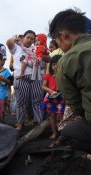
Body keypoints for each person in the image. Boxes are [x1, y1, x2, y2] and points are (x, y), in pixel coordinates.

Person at [49, 8, 91, 160]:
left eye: (57, 41)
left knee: (68, 134)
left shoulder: (67, 60)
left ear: (63, 35)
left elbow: (76, 105)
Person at [6, 30, 48, 131]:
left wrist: (41, 55)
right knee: (21, 102)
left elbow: (49, 59)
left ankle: (39, 122)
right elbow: (8, 42)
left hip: (37, 77)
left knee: (37, 101)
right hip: (21, 77)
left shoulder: (37, 48)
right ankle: (20, 123)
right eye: (27, 37)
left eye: (32, 38)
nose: (29, 40)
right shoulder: (16, 47)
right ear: (23, 37)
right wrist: (14, 39)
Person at [40, 55, 65, 140]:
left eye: (57, 64)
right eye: (53, 64)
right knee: (52, 115)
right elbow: (43, 86)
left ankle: (62, 134)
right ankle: (54, 133)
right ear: (50, 65)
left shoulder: (64, 75)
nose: (55, 66)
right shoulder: (48, 75)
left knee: (60, 115)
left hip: (61, 97)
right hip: (51, 97)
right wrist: (49, 90)